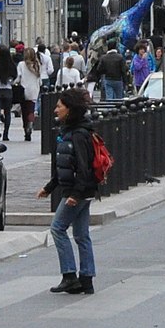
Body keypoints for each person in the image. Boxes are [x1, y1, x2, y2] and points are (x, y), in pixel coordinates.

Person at [37, 88, 99, 295]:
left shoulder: (79, 135)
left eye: (59, 106)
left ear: (70, 109)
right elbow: (62, 165)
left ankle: (70, 275)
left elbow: (83, 167)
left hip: (77, 191)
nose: (56, 109)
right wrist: (49, 187)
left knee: (57, 229)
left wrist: (75, 194)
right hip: (81, 190)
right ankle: (87, 279)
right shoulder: (70, 132)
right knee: (81, 235)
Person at [15, 48, 44, 141]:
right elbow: (40, 80)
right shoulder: (37, 64)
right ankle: (30, 123)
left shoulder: (21, 65)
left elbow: (19, 77)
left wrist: (14, 83)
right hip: (34, 90)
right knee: (31, 109)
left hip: (24, 89)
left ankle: (25, 128)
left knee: (24, 111)